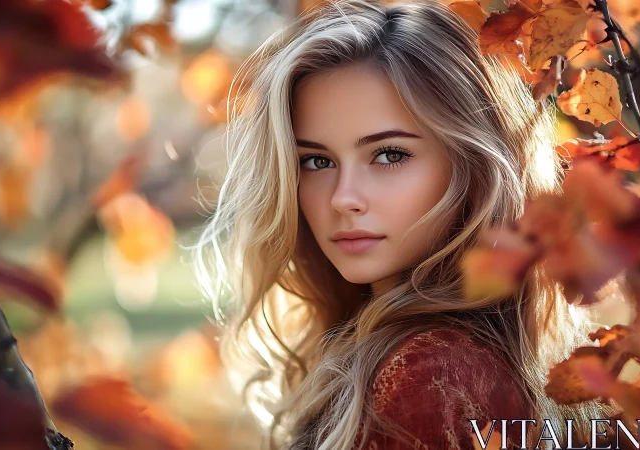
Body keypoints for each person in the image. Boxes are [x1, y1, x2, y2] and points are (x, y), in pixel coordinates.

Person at [191, 0, 616, 448]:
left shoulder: (429, 374)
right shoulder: (408, 355)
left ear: (473, 166)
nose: (343, 198)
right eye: (316, 161)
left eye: (390, 154)